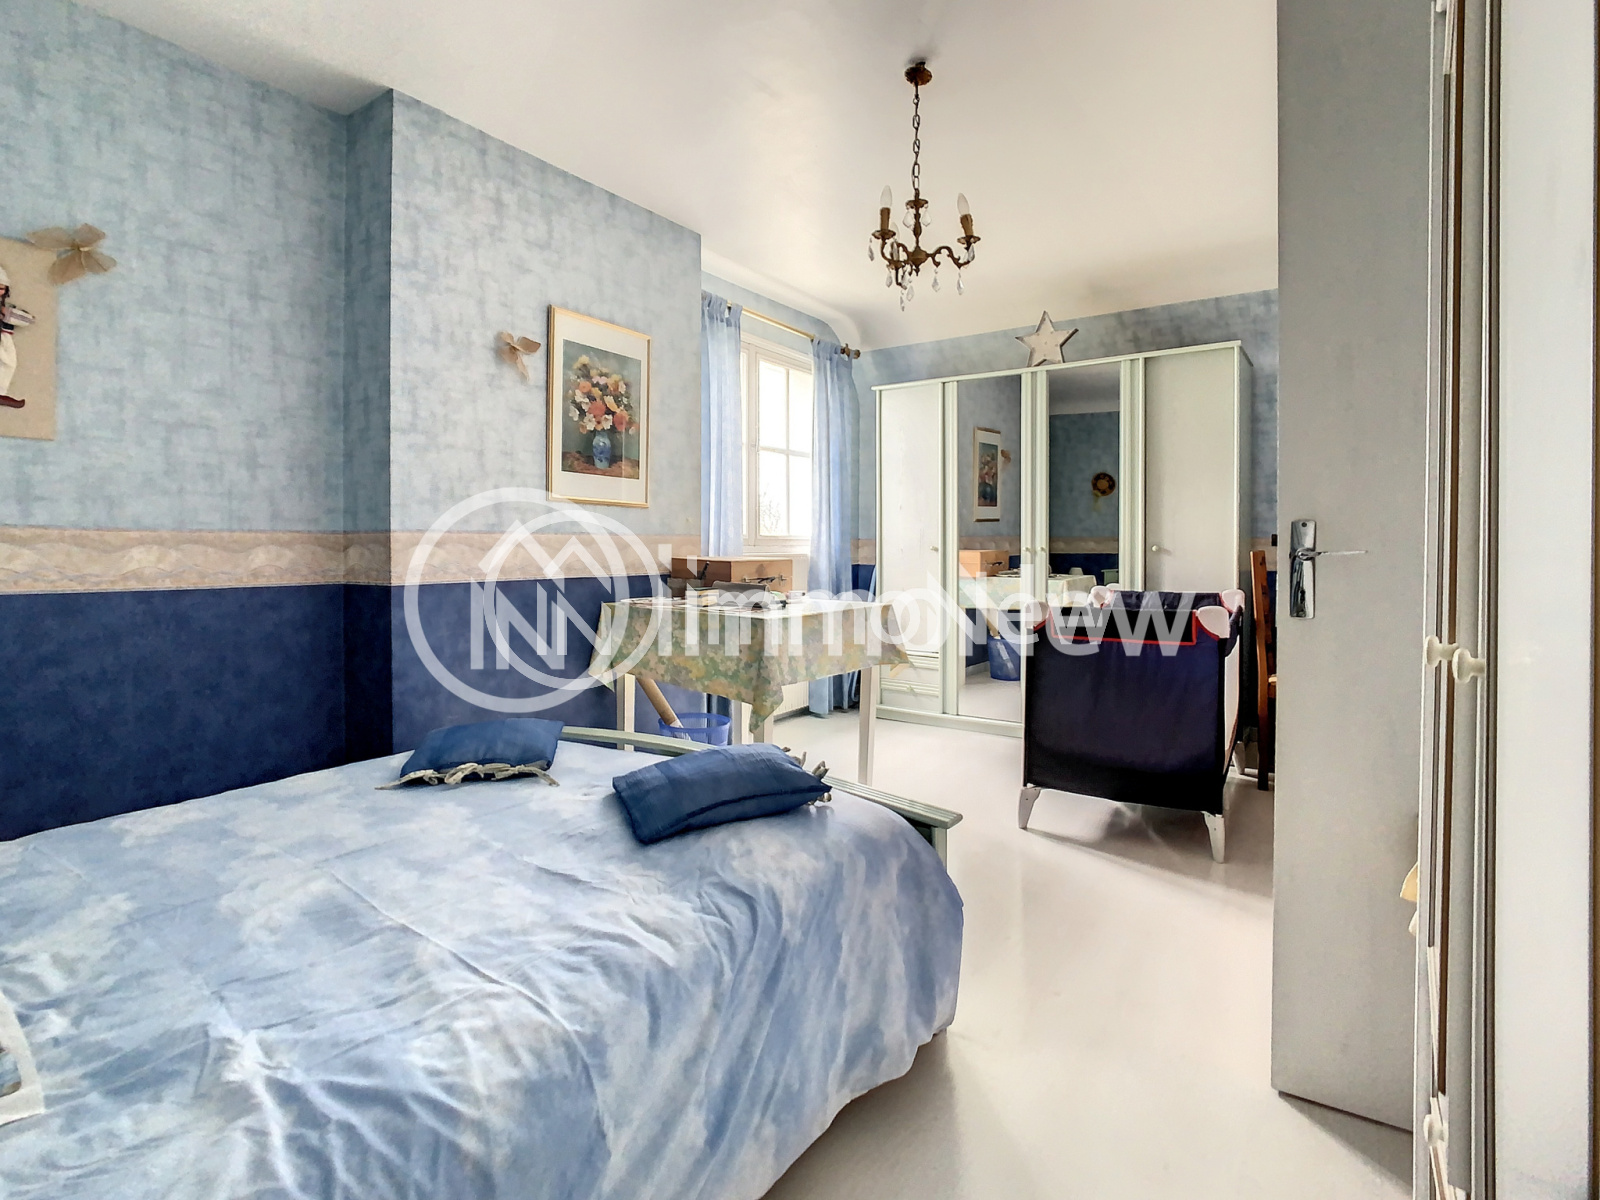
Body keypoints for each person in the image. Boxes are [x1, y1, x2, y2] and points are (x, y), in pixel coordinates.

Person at [0, 265, 35, 409]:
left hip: (4, 339)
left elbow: (28, 320)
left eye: (1, 288)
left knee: (9, 363)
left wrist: (6, 313)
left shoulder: (8, 308)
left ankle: (1, 392)